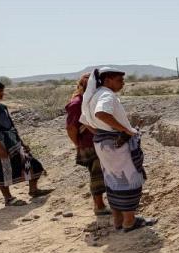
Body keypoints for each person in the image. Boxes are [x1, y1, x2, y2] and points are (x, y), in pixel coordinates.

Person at [80, 67, 152, 232]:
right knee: (129, 181)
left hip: (104, 146)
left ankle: (118, 220)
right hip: (117, 146)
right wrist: (125, 130)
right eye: (119, 80)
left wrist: (102, 133)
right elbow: (101, 114)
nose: (123, 84)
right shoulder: (106, 95)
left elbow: (85, 120)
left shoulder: (93, 96)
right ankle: (129, 221)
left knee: (113, 181)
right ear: (108, 80)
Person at [0, 80, 53, 206]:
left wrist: (22, 143)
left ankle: (33, 190)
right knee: (3, 169)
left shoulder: (3, 107)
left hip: (14, 142)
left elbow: (11, 126)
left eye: (2, 91)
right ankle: (8, 199)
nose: (2, 94)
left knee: (32, 163)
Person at [65, 73, 110, 218]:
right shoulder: (77, 103)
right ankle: (99, 206)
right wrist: (79, 144)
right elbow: (71, 128)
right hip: (90, 144)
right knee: (97, 175)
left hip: (98, 141)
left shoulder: (91, 100)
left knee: (103, 174)